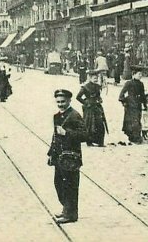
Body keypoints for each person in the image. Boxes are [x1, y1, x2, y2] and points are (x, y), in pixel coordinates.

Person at [47, 89, 87, 224]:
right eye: (58, 102)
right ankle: (66, 209)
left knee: (70, 185)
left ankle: (71, 214)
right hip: (59, 156)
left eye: (63, 102)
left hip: (71, 157)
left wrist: (67, 133)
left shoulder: (75, 115)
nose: (60, 104)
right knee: (58, 183)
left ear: (69, 101)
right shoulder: (56, 116)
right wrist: (51, 153)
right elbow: (55, 137)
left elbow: (85, 135)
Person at [75, 72, 107, 146]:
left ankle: (100, 142)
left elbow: (98, 96)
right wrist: (86, 103)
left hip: (97, 107)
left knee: (100, 124)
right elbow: (78, 97)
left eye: (97, 78)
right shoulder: (85, 87)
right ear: (90, 78)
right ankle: (89, 142)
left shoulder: (98, 86)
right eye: (94, 78)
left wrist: (100, 99)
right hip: (89, 109)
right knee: (89, 125)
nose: (96, 80)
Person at [119, 72, 146, 143]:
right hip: (130, 104)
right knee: (131, 121)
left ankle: (136, 136)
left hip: (138, 103)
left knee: (137, 119)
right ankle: (134, 137)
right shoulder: (129, 83)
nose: (140, 75)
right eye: (139, 74)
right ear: (133, 74)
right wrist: (124, 101)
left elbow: (142, 94)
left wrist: (145, 104)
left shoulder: (141, 84)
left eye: (141, 74)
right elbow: (122, 93)